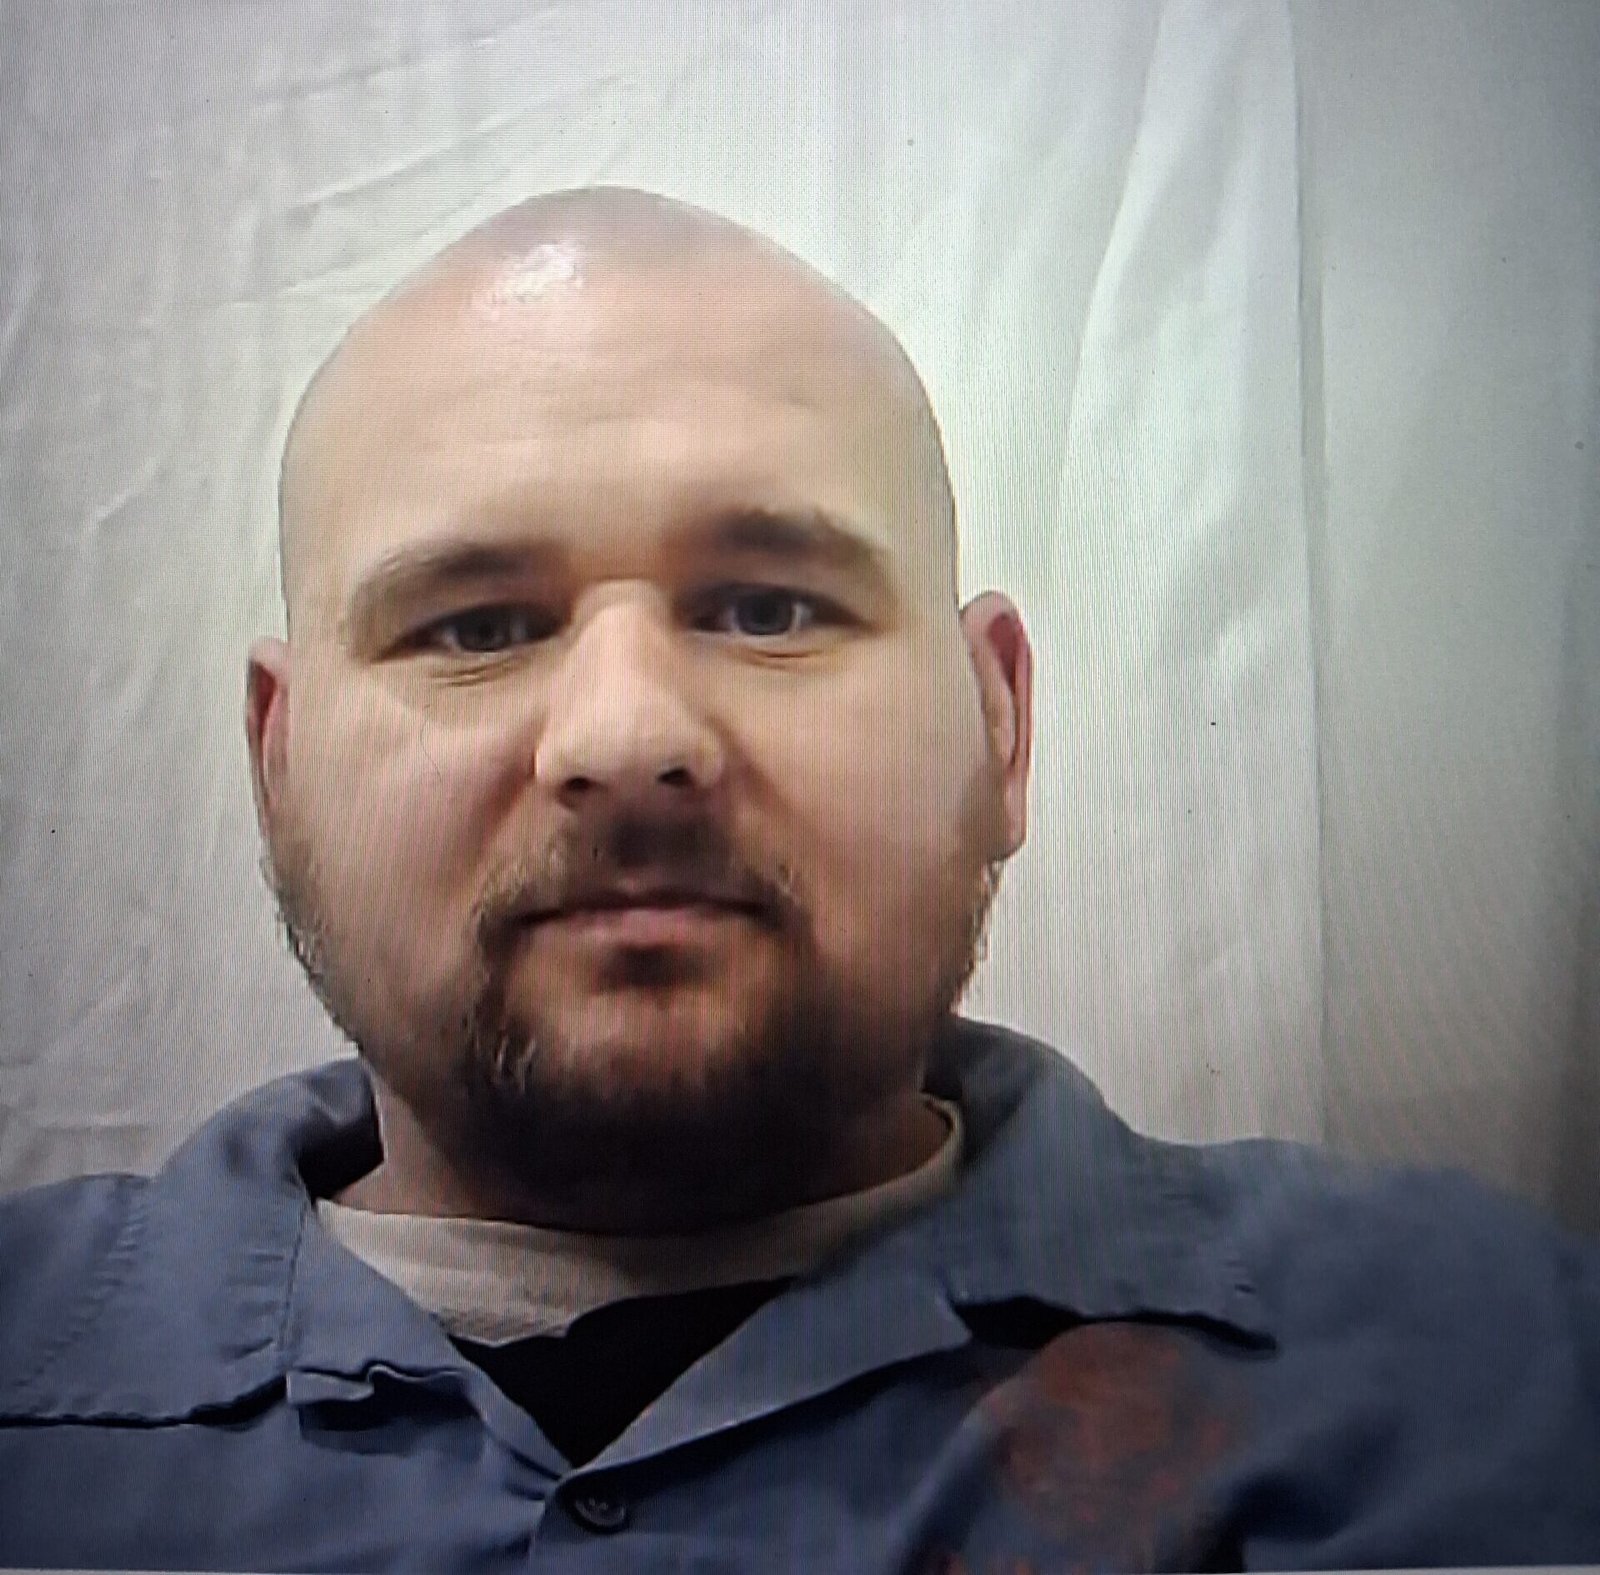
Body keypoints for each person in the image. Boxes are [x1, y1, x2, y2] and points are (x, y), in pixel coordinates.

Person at [0, 186, 1594, 1574]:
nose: (628, 736)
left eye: (767, 609)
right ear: (279, 770)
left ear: (998, 723)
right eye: (476, 628)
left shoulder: (1500, 1359)